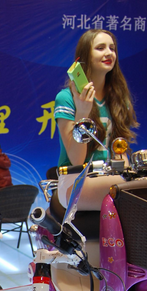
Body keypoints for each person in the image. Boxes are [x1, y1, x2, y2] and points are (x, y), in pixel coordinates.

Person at [54, 29, 139, 210]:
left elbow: (120, 152)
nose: (109, 53)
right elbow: (77, 160)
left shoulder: (118, 98)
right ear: (85, 56)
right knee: (127, 186)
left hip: (111, 177)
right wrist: (83, 112)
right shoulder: (66, 98)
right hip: (75, 181)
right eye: (100, 48)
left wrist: (132, 173)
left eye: (112, 48)